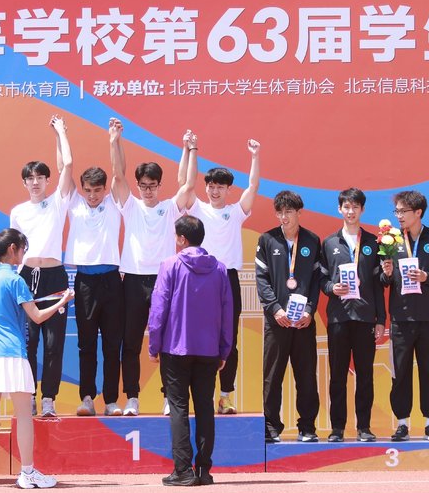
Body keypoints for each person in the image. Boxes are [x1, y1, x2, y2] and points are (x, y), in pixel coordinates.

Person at [0, 229, 73, 489]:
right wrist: (63, 300)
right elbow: (37, 317)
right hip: (11, 355)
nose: (23, 254)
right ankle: (27, 472)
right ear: (12, 249)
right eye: (22, 249)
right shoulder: (15, 280)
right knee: (24, 416)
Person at [112, 120, 199, 416]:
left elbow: (189, 184)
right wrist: (115, 141)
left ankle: (169, 397)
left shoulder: (170, 208)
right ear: (138, 185)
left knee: (168, 342)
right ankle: (132, 398)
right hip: (133, 281)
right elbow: (118, 175)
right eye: (143, 185)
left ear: (160, 185)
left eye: (152, 185)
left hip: (164, 280)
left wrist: (190, 149)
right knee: (131, 342)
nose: (147, 190)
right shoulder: (130, 206)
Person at [148, 215, 234, 487]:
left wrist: (154, 345)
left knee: (178, 407)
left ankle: (183, 470)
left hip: (175, 348)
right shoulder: (219, 269)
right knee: (205, 407)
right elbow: (228, 313)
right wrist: (224, 350)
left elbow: (158, 308)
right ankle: (204, 470)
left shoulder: (170, 265)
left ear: (182, 239)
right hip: (208, 350)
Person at [185, 138, 261, 415]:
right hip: (200, 278)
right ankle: (199, 397)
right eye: (211, 186)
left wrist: (255, 156)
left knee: (229, 340)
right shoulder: (196, 208)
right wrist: (191, 150)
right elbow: (186, 184)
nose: (215, 191)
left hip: (228, 279)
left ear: (229, 189)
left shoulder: (235, 212)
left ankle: (225, 396)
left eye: (220, 187)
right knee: (197, 339)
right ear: (206, 187)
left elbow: (252, 186)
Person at [9, 116, 74, 417]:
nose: (35, 183)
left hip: (54, 277)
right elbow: (13, 252)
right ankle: (30, 397)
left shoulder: (58, 202)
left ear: (48, 181)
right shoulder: (18, 212)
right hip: (26, 278)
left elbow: (67, 165)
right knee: (29, 342)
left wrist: (60, 133)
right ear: (24, 182)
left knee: (53, 342)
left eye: (40, 177)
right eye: (30, 178)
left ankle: (49, 398)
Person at [376, 190, 429, 442]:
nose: (398, 216)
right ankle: (402, 424)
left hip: (428, 318)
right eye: (396, 211)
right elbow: (382, 280)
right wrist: (386, 273)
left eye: (403, 211)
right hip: (400, 318)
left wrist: (426, 277)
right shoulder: (390, 240)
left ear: (418, 212)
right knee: (400, 373)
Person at [319, 188, 387, 442]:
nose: (350, 212)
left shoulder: (373, 243)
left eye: (355, 207)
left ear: (362, 210)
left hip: (365, 317)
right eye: (346, 207)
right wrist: (331, 288)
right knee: (337, 375)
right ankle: (337, 428)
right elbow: (321, 279)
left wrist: (381, 319)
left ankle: (364, 427)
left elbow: (379, 284)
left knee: (365, 375)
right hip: (338, 316)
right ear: (340, 209)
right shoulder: (329, 243)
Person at [256, 190, 323, 444]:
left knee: (306, 376)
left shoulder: (312, 240)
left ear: (299, 213)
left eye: (289, 212)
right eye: (280, 212)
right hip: (277, 321)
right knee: (272, 376)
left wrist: (310, 310)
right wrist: (275, 308)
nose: (284, 217)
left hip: (303, 321)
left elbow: (316, 280)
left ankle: (307, 427)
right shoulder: (267, 240)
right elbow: (262, 280)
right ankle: (271, 427)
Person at [65, 154, 123, 418]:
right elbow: (65, 167)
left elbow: (119, 172)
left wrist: (115, 140)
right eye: (88, 190)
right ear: (82, 189)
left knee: (112, 344)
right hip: (85, 282)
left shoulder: (113, 204)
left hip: (112, 280)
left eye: (97, 190)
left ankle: (111, 400)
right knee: (86, 344)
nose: (92, 195)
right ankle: (87, 398)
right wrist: (61, 135)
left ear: (105, 189)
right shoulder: (74, 204)